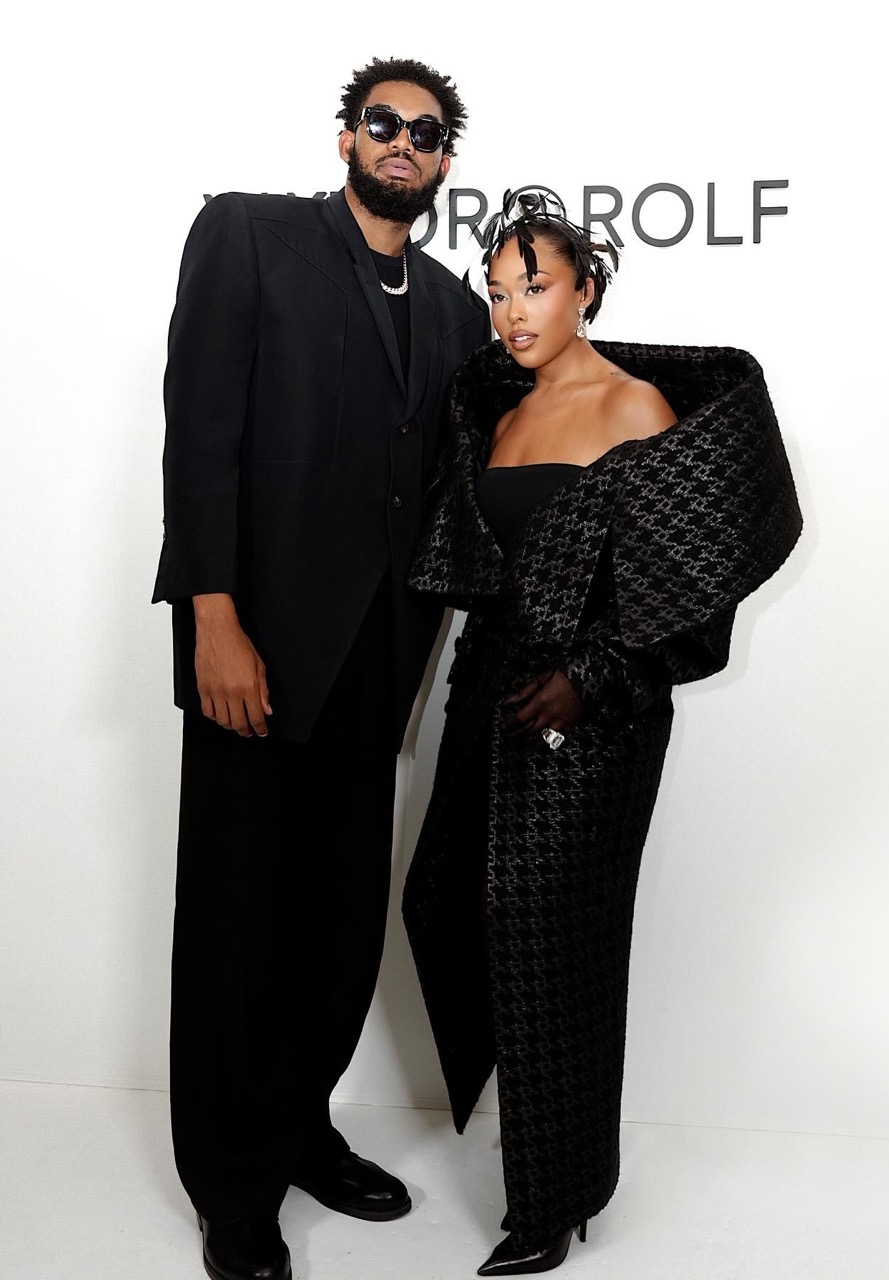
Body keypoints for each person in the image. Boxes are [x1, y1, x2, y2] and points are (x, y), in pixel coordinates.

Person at [402, 191, 803, 1276]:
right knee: (442, 897)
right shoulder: (496, 416)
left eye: (534, 286)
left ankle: (553, 1200)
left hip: (595, 719)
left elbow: (691, 592)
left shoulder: (639, 406)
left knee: (554, 940)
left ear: (586, 289)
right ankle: (534, 1116)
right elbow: (476, 573)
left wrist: (590, 677)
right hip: (489, 695)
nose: (513, 311)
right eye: (497, 293)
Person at [152, 57, 490, 1280]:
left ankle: (299, 1126)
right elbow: (201, 431)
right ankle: (232, 1182)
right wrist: (213, 615)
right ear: (347, 137)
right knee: (239, 918)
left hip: (379, 656)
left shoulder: (452, 307)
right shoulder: (250, 237)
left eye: (426, 133)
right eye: (383, 122)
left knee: (339, 922)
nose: (403, 142)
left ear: (444, 161)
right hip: (254, 643)